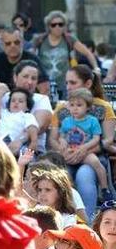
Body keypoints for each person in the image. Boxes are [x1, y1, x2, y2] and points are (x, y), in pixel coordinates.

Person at [49, 66, 116, 215]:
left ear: (87, 84)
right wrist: (64, 150)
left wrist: (83, 151)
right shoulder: (62, 109)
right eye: (66, 83)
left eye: (72, 83)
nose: (68, 87)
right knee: (61, 175)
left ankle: (89, 222)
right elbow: (53, 138)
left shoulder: (103, 107)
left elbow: (107, 140)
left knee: (84, 175)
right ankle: (61, 220)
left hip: (94, 156)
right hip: (67, 155)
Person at [52, 88, 112, 203]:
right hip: (70, 150)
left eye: (79, 105)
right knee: (59, 165)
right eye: (72, 105)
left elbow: (96, 138)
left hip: (85, 152)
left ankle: (105, 188)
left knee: (95, 162)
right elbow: (61, 136)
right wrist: (62, 141)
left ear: (88, 107)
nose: (75, 108)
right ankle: (68, 191)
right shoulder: (66, 121)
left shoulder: (92, 121)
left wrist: (85, 147)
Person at [0, 60, 52, 152]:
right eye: (25, 76)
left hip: (29, 151)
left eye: (34, 78)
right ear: (15, 77)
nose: (29, 82)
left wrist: (19, 141)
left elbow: (38, 127)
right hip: (1, 148)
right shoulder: (4, 97)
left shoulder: (42, 99)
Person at [35, 10, 99, 100]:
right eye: (53, 25)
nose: (57, 27)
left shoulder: (69, 39)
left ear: (64, 26)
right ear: (49, 26)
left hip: (65, 83)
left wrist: (96, 68)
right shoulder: (40, 40)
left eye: (60, 24)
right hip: (44, 85)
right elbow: (32, 58)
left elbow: (88, 53)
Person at [0, 26, 48, 110]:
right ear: (2, 45)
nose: (12, 46)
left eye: (16, 42)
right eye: (8, 43)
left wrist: (39, 110)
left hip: (29, 107)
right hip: (2, 108)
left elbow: (44, 89)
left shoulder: (33, 59)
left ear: (23, 42)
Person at [0, 88, 39, 156]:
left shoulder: (26, 116)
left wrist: (34, 142)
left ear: (27, 107)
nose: (16, 103)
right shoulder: (4, 113)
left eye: (20, 101)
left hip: (15, 142)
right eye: (13, 101)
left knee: (23, 152)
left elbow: (32, 128)